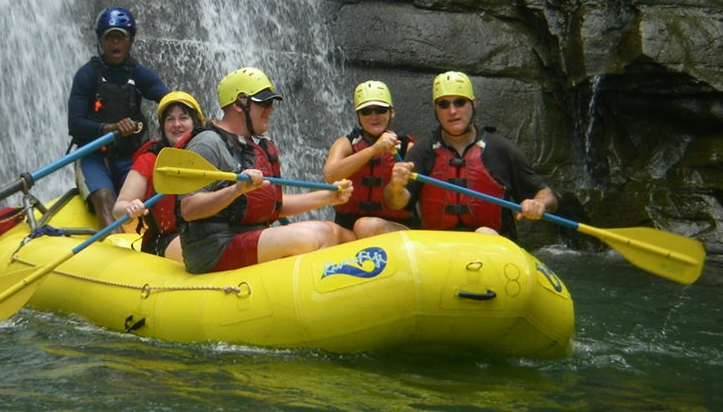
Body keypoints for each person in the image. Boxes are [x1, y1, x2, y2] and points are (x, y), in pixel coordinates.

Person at [178, 67, 355, 274]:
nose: (270, 110)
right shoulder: (207, 144)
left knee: (324, 230)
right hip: (212, 249)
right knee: (306, 239)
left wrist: (328, 197)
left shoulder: (255, 145)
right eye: (263, 103)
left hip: (247, 237)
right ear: (239, 103)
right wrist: (236, 190)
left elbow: (273, 205)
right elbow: (188, 209)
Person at [386, 71, 558, 241]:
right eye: (444, 104)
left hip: (491, 246)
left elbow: (546, 194)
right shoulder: (423, 151)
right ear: (435, 109)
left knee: (484, 232)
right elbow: (397, 203)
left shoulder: (499, 149)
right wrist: (395, 187)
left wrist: (539, 204)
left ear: (473, 104)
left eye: (459, 103)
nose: (452, 111)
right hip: (438, 247)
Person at [68, 7, 169, 230]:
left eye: (121, 37)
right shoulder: (87, 75)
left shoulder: (139, 74)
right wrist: (109, 127)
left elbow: (170, 101)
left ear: (130, 40)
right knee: (105, 196)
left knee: (145, 200)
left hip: (129, 155)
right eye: (110, 37)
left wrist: (196, 118)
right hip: (92, 155)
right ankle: (113, 243)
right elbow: (75, 124)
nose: (115, 43)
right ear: (100, 41)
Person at [112, 91, 204, 262]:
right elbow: (118, 208)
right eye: (170, 119)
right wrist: (129, 208)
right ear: (163, 126)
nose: (176, 124)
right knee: (202, 251)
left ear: (195, 124)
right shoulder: (149, 160)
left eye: (183, 118)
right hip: (163, 240)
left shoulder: (210, 154)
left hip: (208, 234)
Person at [323, 80, 416, 238]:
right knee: (323, 230)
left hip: (395, 230)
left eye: (380, 110)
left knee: (366, 226)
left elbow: (413, 197)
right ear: (358, 116)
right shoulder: (345, 144)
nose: (374, 117)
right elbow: (330, 176)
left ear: (391, 112)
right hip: (350, 230)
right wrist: (374, 149)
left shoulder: (407, 147)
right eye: (366, 111)